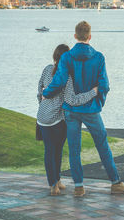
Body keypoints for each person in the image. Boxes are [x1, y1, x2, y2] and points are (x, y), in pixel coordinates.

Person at [42, 21, 124, 197]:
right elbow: (104, 85)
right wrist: (98, 103)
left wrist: (45, 93)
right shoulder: (99, 57)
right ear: (90, 36)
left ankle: (79, 187)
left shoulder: (67, 57)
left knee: (74, 149)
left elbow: (59, 81)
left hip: (71, 111)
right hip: (91, 110)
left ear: (75, 36)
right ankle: (115, 182)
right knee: (103, 146)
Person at [36, 44, 97, 196]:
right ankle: (53, 185)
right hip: (56, 119)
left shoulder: (46, 69)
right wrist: (93, 92)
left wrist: (43, 105)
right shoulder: (67, 76)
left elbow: (39, 91)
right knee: (54, 151)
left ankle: (56, 180)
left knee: (51, 151)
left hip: (42, 118)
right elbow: (72, 100)